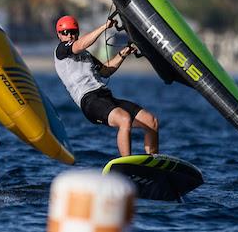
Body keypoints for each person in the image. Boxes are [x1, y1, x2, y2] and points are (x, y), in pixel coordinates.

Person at [53, 15, 159, 157]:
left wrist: (124, 52)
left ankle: (154, 161)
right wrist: (105, 27)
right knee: (124, 119)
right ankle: (127, 164)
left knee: (151, 122)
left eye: (73, 32)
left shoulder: (86, 55)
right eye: (65, 33)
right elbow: (80, 45)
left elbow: (106, 71)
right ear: (59, 35)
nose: (70, 35)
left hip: (105, 96)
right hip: (89, 101)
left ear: (77, 32)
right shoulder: (61, 51)